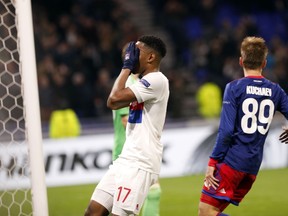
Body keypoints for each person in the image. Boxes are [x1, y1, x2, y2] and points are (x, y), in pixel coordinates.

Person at [198, 36, 288, 216]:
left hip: (232, 162)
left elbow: (226, 131)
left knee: (206, 212)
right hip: (252, 166)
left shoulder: (234, 88)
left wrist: (212, 161)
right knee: (213, 211)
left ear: (240, 61)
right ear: (264, 63)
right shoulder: (275, 90)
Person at [84, 35, 169, 216]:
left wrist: (126, 68)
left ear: (150, 57)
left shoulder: (157, 80)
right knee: (93, 212)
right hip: (126, 158)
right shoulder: (139, 83)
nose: (129, 56)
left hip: (140, 162)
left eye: (135, 52)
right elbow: (113, 99)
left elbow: (113, 100)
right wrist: (128, 68)